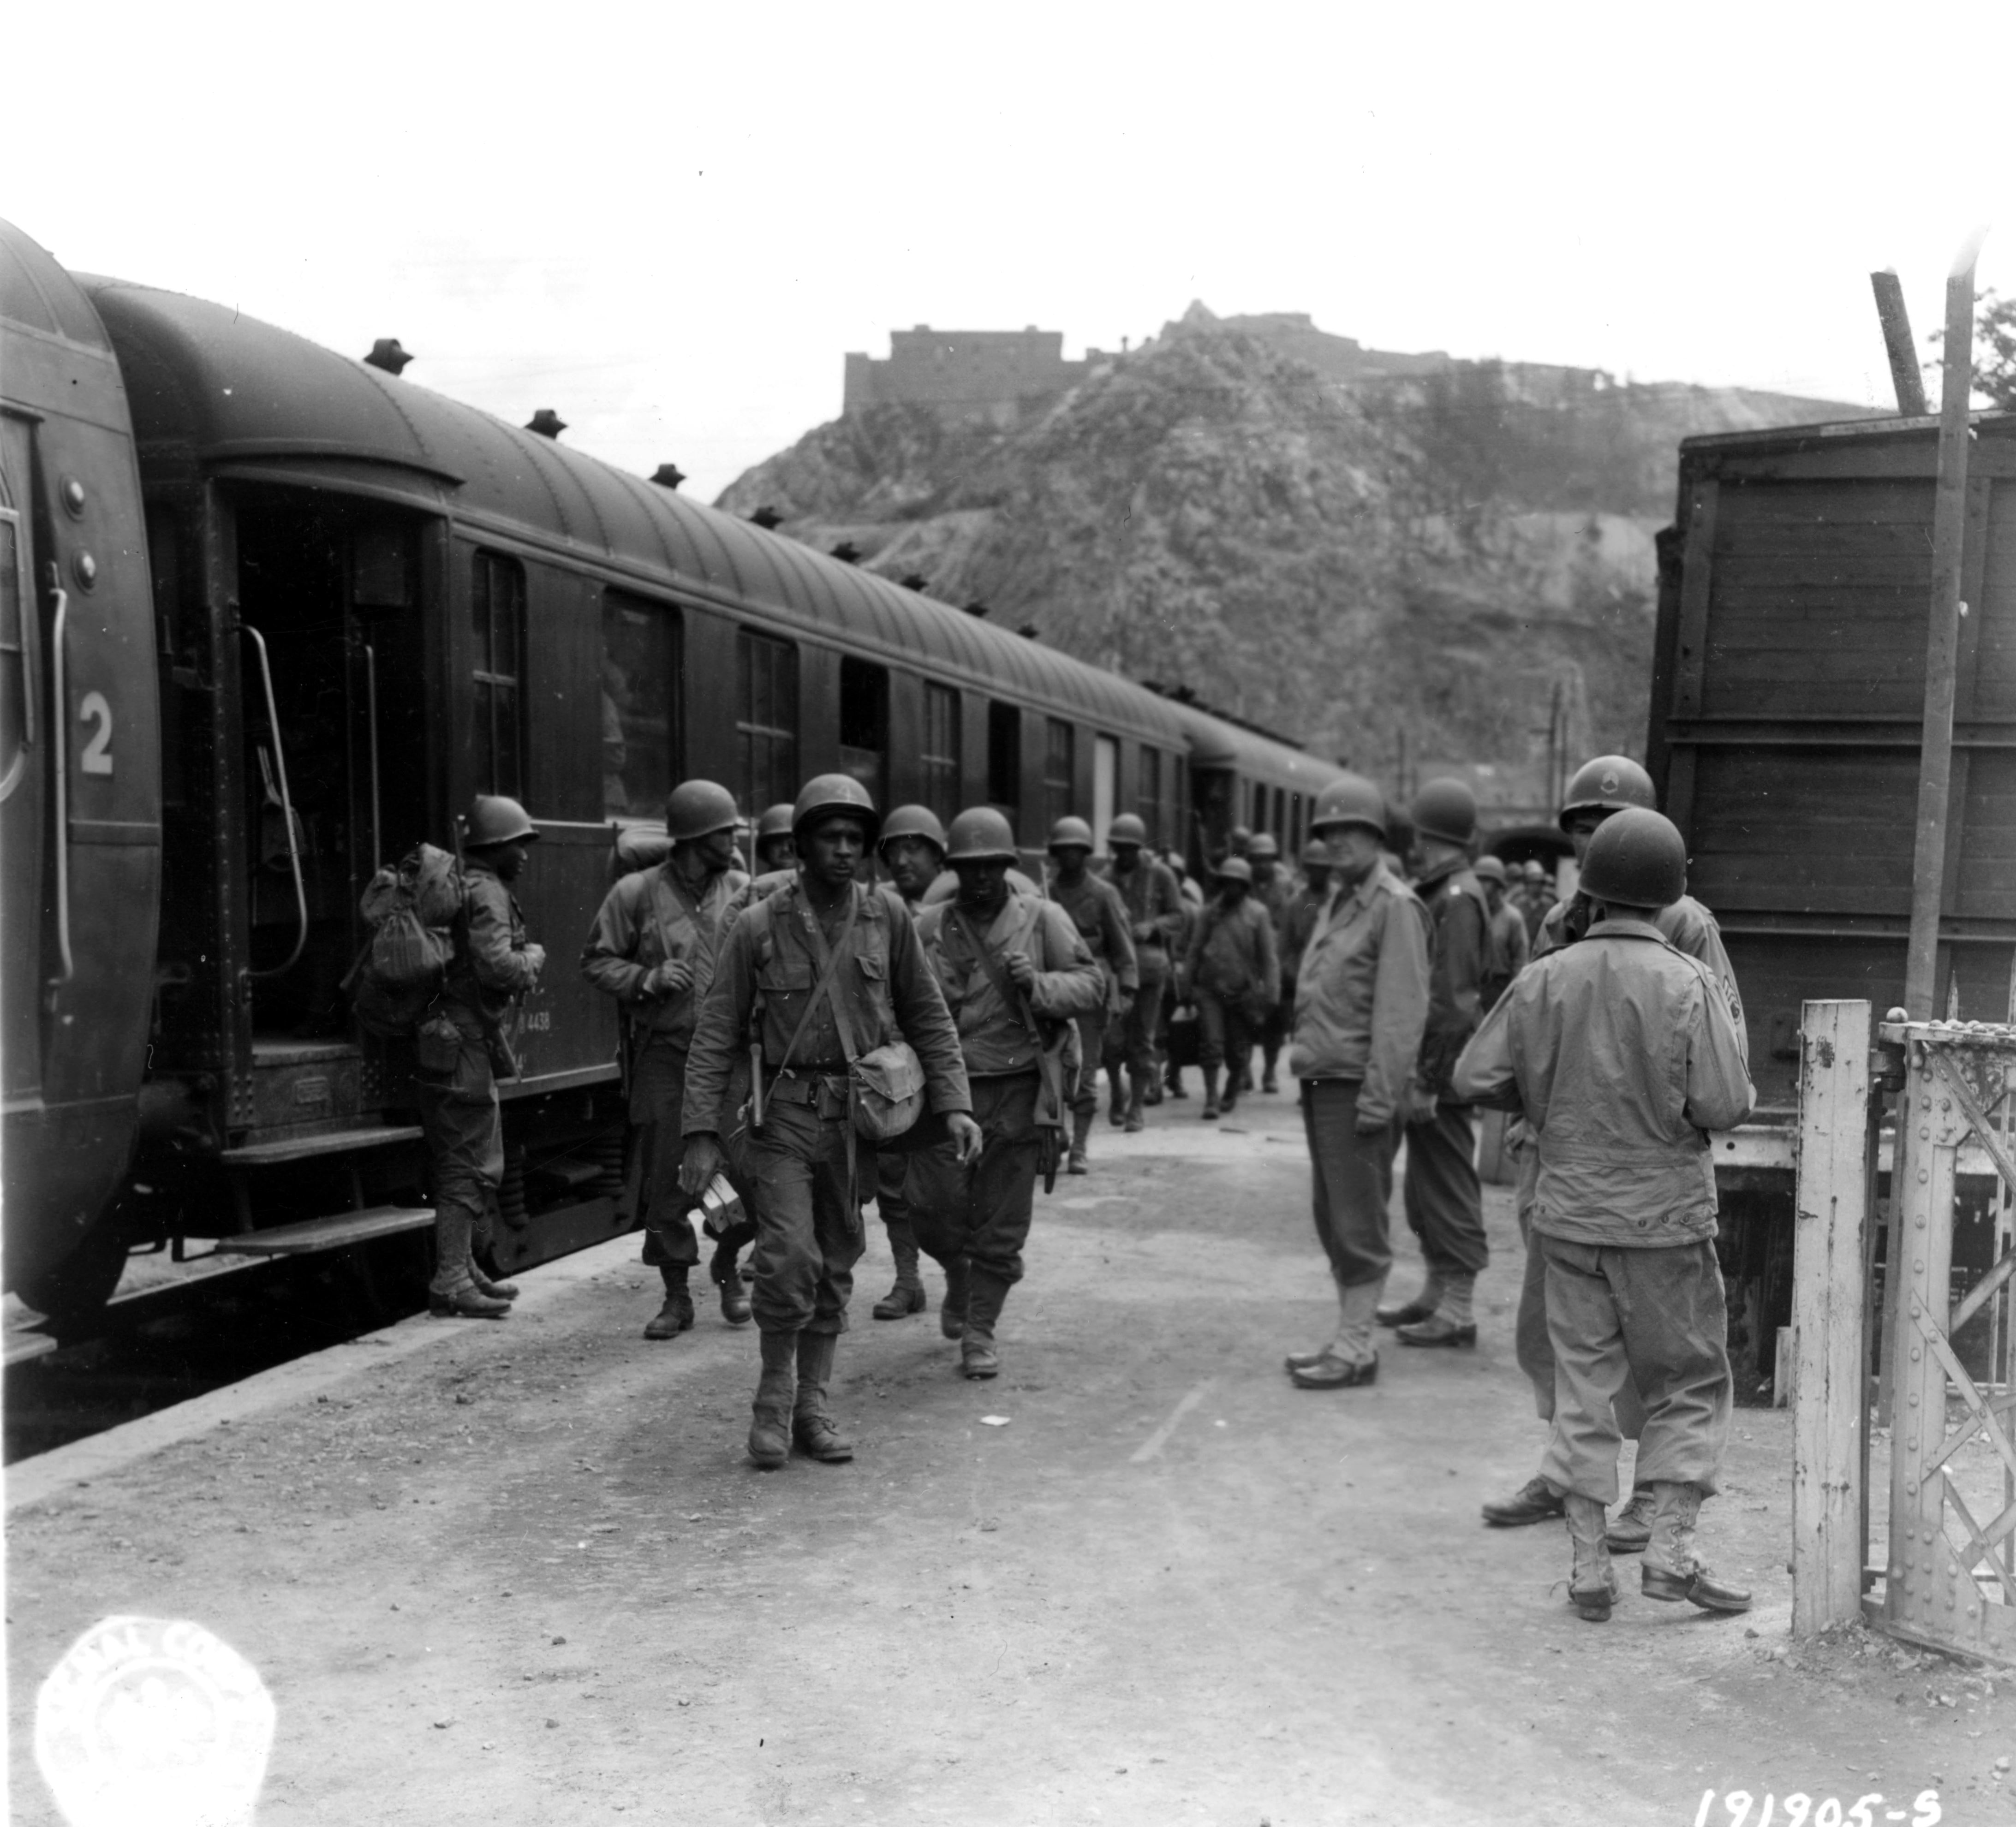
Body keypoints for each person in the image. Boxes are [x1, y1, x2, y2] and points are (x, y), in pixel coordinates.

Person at [1452, 808, 1755, 1622]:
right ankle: (1672, 1551)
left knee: (1584, 1385)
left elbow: (1473, 1078)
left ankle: (1590, 1569)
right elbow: (1724, 1103)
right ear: (1669, 897)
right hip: (1664, 1222)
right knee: (1689, 1382)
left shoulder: (1544, 975)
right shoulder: (1686, 981)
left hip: (1568, 1217)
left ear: (1589, 890)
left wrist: (1546, 1097)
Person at [679, 776, 979, 1470]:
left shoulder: (887, 919)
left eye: (854, 839)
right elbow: (717, 1029)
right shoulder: (759, 924)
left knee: (837, 1259)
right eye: (830, 838)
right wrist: (700, 1131)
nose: (844, 852)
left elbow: (928, 1014)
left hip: (854, 1123)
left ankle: (813, 1404)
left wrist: (956, 1103)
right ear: (804, 845)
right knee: (788, 1257)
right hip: (781, 1116)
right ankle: (773, 1401)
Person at [908, 808, 1103, 1378]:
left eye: (993, 866)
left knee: (1002, 1218)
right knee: (931, 1211)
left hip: (1017, 1092)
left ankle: (980, 1330)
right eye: (970, 868)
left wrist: (1037, 983)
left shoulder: (1042, 919)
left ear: (1008, 867)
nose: (982, 878)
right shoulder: (926, 926)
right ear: (953, 870)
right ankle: (956, 1273)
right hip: (943, 1094)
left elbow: (1091, 983)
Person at [581, 779, 757, 1340]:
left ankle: (728, 1264)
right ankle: (677, 1297)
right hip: (665, 1057)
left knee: (747, 1179)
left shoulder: (745, 891)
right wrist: (645, 978)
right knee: (667, 1183)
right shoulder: (636, 892)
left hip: (729, 1062)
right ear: (695, 837)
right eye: (724, 831)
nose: (733, 840)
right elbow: (595, 961)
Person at [1282, 774, 1430, 1388]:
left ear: (1374, 835)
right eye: (1327, 830)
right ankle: (1349, 1336)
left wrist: (1377, 1100)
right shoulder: (1341, 901)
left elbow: (1400, 1015)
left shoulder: (1393, 905)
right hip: (1322, 1082)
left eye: (1351, 829)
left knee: (1356, 1220)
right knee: (1332, 1216)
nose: (1337, 840)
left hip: (1354, 1088)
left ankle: (1354, 1346)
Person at [415, 795, 546, 1319]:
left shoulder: (468, 885)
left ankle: (464, 1269)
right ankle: (450, 1278)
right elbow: (497, 967)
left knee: (463, 1154)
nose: (526, 855)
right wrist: (532, 958)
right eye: (519, 844)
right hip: (465, 1041)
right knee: (469, 1159)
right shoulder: (488, 890)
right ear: (495, 848)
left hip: (450, 1035)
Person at [1378, 779, 1492, 1349]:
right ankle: (1434, 1291)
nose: (1414, 845)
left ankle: (1459, 1308)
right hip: (1432, 1067)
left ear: (1430, 835)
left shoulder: (1456, 898)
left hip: (1441, 1073)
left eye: (1420, 836)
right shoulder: (1446, 890)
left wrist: (1426, 1077)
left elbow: (1452, 1001)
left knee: (1446, 1186)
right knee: (1423, 1189)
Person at [867, 804, 949, 1320]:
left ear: (939, 854)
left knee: (946, 1190)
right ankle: (907, 1279)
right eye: (893, 850)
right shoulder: (878, 910)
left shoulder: (961, 907)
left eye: (913, 848)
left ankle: (960, 1279)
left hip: (946, 1061)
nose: (901, 859)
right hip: (896, 1065)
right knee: (893, 1181)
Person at [1044, 817, 1138, 1173]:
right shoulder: (1046, 892)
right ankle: (1059, 1134)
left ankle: (1080, 1147)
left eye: (1076, 850)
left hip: (1090, 989)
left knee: (1085, 1071)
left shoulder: (1104, 893)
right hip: (1052, 988)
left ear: (1085, 853)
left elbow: (1121, 944)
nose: (1070, 856)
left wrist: (1126, 987)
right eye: (1063, 849)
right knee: (1052, 1070)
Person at [1099, 814, 1183, 1130]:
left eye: (1129, 849)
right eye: (1118, 849)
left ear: (1140, 848)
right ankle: (1118, 1097)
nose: (1123, 856)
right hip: (1116, 970)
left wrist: (1153, 926)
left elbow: (1179, 917)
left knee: (1143, 1039)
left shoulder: (1161, 875)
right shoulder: (1104, 879)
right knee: (1110, 1040)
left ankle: (1136, 1107)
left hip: (1150, 968)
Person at [1180, 857, 1279, 1121]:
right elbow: (1194, 950)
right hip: (1211, 990)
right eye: (1227, 883)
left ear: (1246, 887)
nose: (1231, 889)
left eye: (1237, 884)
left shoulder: (1257, 914)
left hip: (1241, 993)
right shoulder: (1208, 913)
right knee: (1211, 1045)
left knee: (1237, 1052)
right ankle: (1211, 1097)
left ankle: (1232, 1087)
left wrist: (1271, 994)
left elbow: (1269, 958)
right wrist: (1186, 985)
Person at [1246, 833, 1292, 1094]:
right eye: (1256, 860)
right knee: (1244, 1019)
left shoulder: (1285, 886)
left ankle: (1270, 1071)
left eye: (1266, 860)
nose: (1261, 866)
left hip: (1276, 958)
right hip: (1249, 957)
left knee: (1275, 1021)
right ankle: (1244, 1071)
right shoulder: (1243, 882)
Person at [1162, 853, 1205, 1101]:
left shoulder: (1191, 912)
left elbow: (1195, 949)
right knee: (1153, 1034)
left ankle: (1174, 1074)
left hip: (1178, 978)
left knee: (1176, 1031)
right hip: (1156, 975)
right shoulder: (1154, 909)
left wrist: (1186, 973)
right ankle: (1153, 1083)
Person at [1473, 856, 1530, 1010]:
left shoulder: (1512, 917)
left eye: (1487, 881)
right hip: (1473, 986)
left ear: (1498, 884)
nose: (1481, 886)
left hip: (1500, 986)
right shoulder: (1472, 913)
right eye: (1478, 880)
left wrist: (1515, 992)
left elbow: (1521, 958)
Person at [752, 802, 796, 876]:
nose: (786, 849)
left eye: (791, 842)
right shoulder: (761, 885)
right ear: (765, 848)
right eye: (778, 843)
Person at [1516, 860, 1552, 944]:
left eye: (1540, 884)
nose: (1537, 887)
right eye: (1533, 883)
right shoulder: (1518, 904)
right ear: (1527, 885)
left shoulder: (1550, 905)